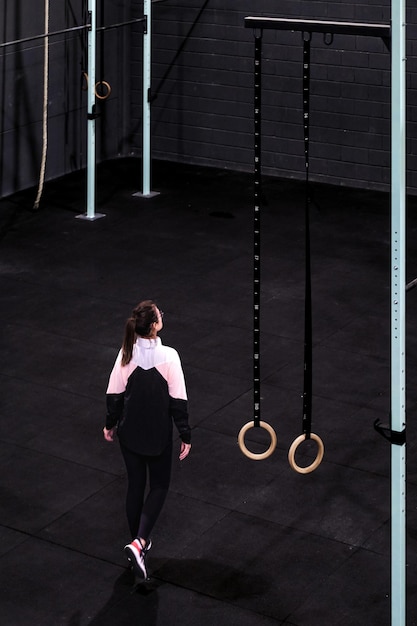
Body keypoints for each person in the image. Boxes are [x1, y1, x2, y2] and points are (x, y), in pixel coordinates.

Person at [103, 300, 191, 581]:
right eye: (159, 314)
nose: (162, 316)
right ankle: (140, 543)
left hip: (129, 435)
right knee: (160, 486)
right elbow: (178, 400)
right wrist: (185, 434)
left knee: (135, 487)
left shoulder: (125, 355)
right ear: (154, 325)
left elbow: (114, 395)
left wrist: (109, 424)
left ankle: (136, 547)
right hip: (158, 437)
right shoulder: (170, 356)